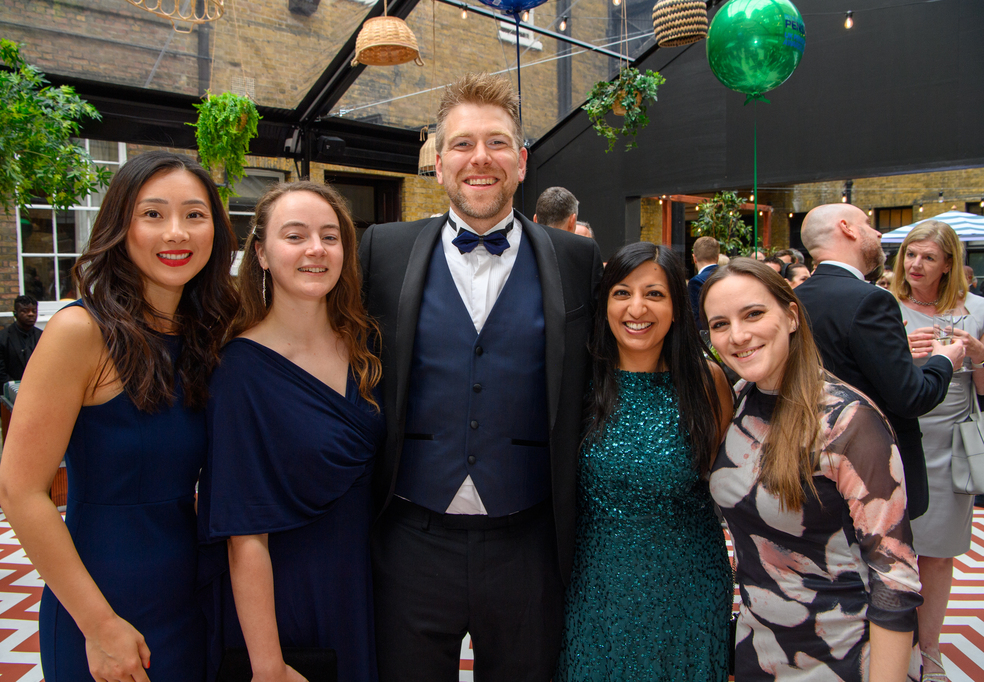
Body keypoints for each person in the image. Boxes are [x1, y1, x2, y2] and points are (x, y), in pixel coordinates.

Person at [359, 72, 603, 682]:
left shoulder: (575, 259)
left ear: (521, 161)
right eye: (463, 144)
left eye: (497, 143)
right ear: (438, 162)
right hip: (410, 538)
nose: (480, 158)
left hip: (529, 540)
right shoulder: (382, 250)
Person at [0, 151, 239, 681]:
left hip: (190, 595)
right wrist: (99, 625)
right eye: (152, 213)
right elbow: (19, 491)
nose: (176, 232)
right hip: (102, 606)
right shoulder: (80, 331)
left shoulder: (207, 335)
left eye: (194, 215)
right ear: (120, 226)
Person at [701, 257, 924, 681]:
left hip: (845, 655)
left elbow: (895, 579)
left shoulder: (848, 421)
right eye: (720, 324)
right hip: (760, 651)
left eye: (753, 314)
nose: (738, 335)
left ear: (791, 316)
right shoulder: (739, 400)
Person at [198, 181, 384, 682]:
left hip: (363, 589)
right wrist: (268, 666)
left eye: (330, 236)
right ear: (261, 253)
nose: (316, 249)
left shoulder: (365, 348)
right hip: (288, 600)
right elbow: (243, 534)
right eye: (295, 236)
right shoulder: (240, 372)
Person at [556, 242, 733, 680]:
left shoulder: (705, 382)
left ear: (676, 308)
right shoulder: (577, 379)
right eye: (622, 293)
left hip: (689, 587)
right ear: (604, 304)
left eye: (654, 294)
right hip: (593, 587)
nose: (637, 308)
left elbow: (723, 478)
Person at [796, 203, 964, 519]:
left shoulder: (796, 297)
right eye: (868, 223)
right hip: (874, 473)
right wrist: (943, 360)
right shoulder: (871, 299)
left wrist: (894, 354)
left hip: (814, 467)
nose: (877, 233)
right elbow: (911, 398)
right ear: (847, 228)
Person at [889, 220, 984, 682]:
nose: (915, 265)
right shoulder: (884, 306)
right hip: (894, 436)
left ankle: (930, 649)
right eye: (910, 254)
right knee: (890, 547)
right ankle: (891, 644)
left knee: (939, 553)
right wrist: (900, 356)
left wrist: (977, 354)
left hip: (950, 444)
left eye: (928, 257)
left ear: (949, 264)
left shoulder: (976, 309)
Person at [0, 295, 42, 418]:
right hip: (10, 399)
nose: (31, 314)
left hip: (38, 398)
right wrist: (19, 390)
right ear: (15, 313)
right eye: (25, 311)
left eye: (34, 311)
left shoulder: (43, 336)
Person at [688, 236, 719, 326]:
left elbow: (697, 319)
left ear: (694, 258)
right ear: (717, 257)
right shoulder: (728, 276)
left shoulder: (696, 282)